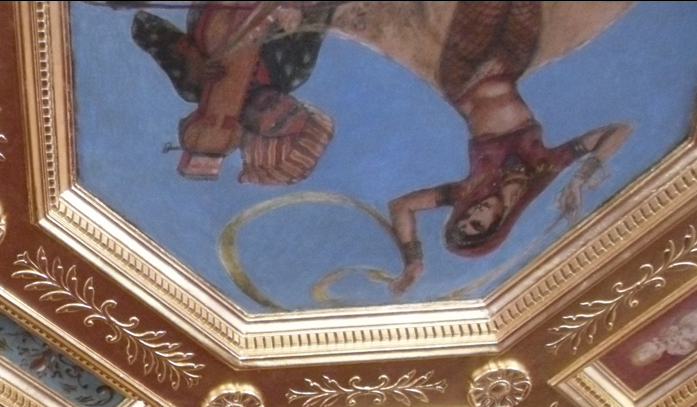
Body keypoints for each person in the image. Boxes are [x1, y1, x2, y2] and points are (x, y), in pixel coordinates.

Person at [383, 1, 631, 294]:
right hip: (510, 64)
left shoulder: (468, 190)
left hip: (467, 75)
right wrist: (580, 179)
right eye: (477, 225)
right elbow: (618, 131)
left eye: (464, 220)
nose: (473, 214)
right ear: (495, 226)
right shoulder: (543, 170)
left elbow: (402, 206)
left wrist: (413, 262)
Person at [131, 1, 339, 185]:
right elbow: (322, 11)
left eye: (276, 123)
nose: (277, 108)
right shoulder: (293, 68)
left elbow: (143, 24)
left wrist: (192, 58)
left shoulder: (199, 88)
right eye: (292, 110)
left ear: (255, 136)